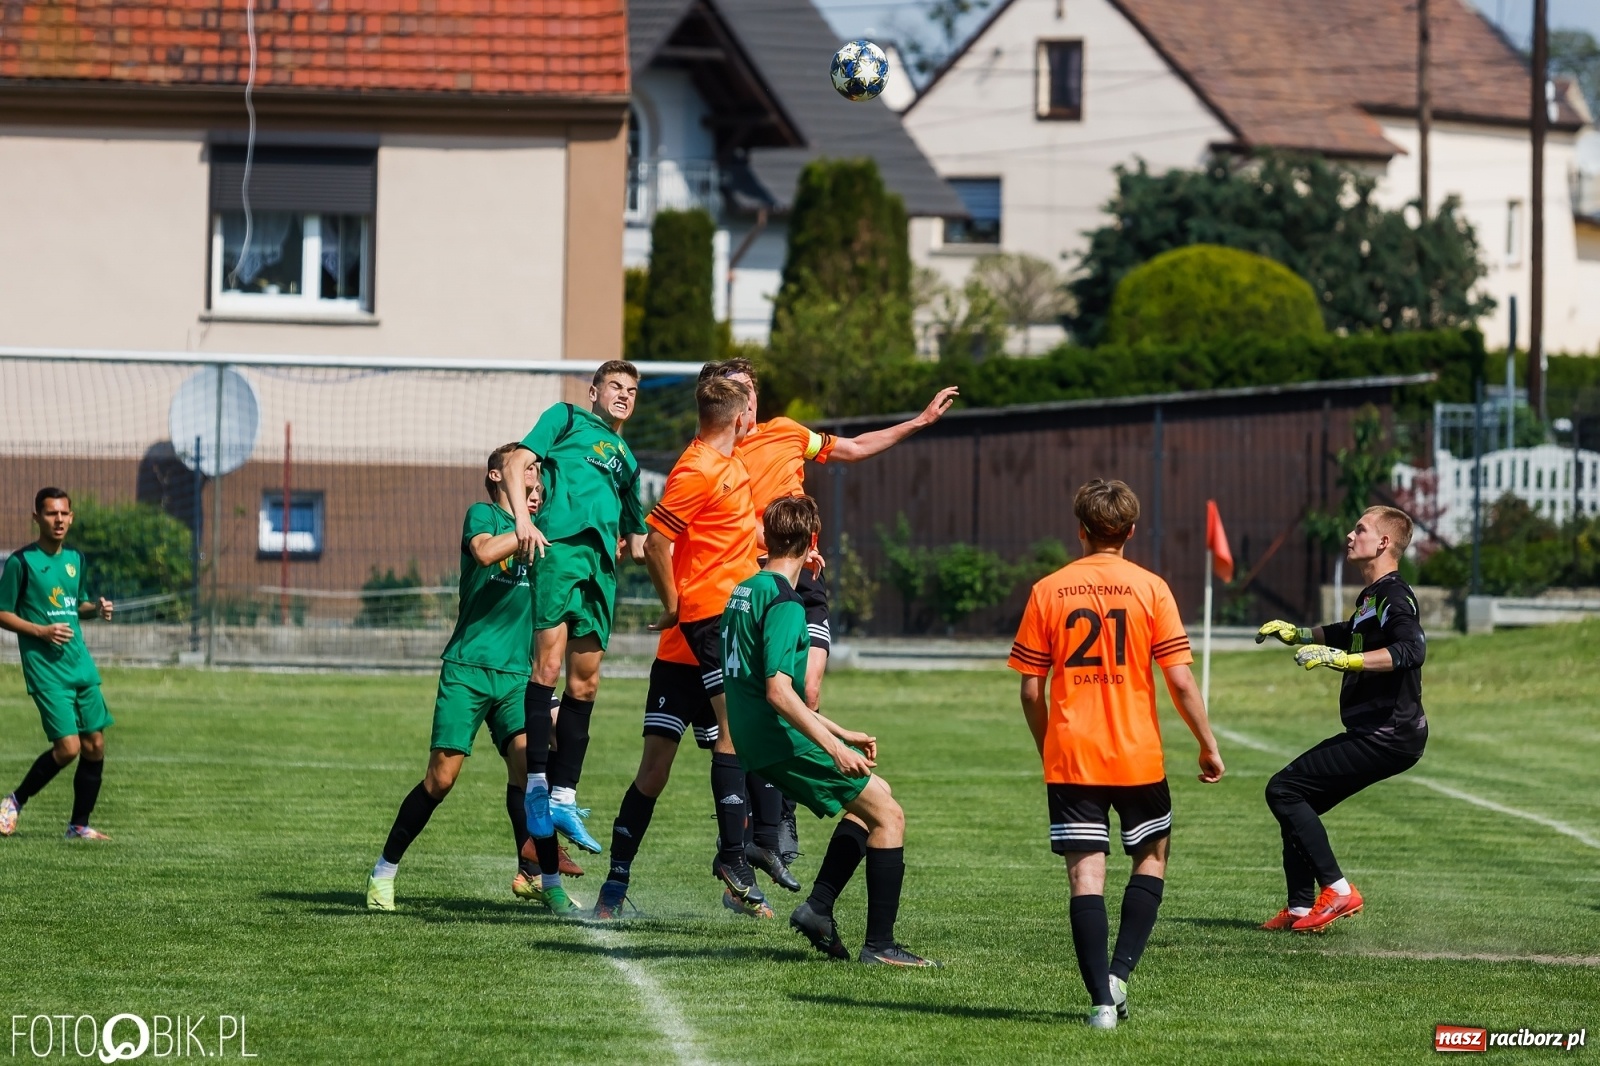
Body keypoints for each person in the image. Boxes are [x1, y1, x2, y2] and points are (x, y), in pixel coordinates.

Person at [701, 358, 958, 877]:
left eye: (750, 391)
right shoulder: (717, 457)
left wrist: (919, 421)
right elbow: (716, 525)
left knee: (806, 692)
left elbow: (855, 448)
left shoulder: (788, 433)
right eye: (736, 393)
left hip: (803, 573)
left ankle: (782, 817)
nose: (747, 401)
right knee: (765, 697)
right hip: (759, 578)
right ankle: (760, 826)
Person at [1008, 478, 1224, 1029]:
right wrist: (1207, 744)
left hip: (1073, 755)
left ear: (1079, 530)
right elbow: (1178, 681)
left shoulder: (1048, 589)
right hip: (1137, 755)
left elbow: (1032, 688)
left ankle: (1102, 1003)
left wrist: (1047, 746)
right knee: (1151, 859)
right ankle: (1120, 973)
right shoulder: (1152, 588)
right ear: (1129, 532)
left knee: (1086, 879)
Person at [721, 495, 937, 967]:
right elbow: (779, 692)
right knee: (890, 816)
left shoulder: (744, 591)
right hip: (777, 739)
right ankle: (880, 946)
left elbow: (762, 687)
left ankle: (818, 909)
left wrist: (842, 732)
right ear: (811, 542)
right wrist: (833, 749)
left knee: (875, 798)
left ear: (769, 535)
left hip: (755, 737)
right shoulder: (785, 602)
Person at [367, 447, 576, 915]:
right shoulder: (482, 516)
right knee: (441, 780)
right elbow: (483, 553)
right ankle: (383, 871)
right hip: (467, 670)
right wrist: (524, 530)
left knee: (531, 765)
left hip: (517, 676)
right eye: (526, 471)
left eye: (538, 475)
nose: (534, 480)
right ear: (496, 474)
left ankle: (540, 878)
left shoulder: (542, 531)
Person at [1255, 505, 1427, 934]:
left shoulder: (1394, 594)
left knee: (1284, 789)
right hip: (1379, 731)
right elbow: (1347, 630)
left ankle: (1338, 890)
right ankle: (1299, 910)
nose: (1350, 536)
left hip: (1388, 733)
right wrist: (1298, 633)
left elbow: (1412, 650)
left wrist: (1343, 660)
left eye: (1360, 529)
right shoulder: (1372, 596)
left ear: (1384, 543)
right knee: (1297, 801)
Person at [636, 375, 769, 916]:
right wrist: (672, 604)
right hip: (706, 619)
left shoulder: (733, 464)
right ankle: (736, 855)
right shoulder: (695, 469)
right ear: (739, 417)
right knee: (733, 732)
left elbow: (739, 538)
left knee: (731, 737)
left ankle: (744, 851)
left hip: (731, 617)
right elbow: (655, 542)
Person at [504, 360, 648, 856]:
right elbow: (514, 462)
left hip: (601, 571)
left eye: (631, 389)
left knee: (585, 682)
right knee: (547, 666)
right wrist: (524, 520)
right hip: (561, 553)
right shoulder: (565, 418)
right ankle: (539, 790)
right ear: (594, 391)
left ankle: (564, 796)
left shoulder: (627, 460)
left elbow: (640, 537)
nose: (624, 395)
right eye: (615, 386)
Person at [0, 488, 115, 841]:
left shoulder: (76, 560)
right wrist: (40, 630)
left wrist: (94, 609)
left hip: (79, 664)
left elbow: (73, 604)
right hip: (46, 669)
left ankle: (78, 826)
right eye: (51, 514)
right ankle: (14, 802)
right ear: (36, 517)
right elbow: (3, 612)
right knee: (68, 748)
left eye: (64, 513)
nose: (59, 520)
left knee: (95, 745)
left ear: (72, 517)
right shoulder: (21, 562)